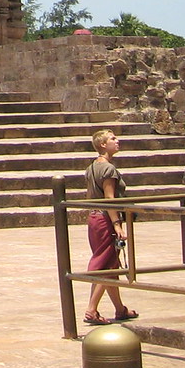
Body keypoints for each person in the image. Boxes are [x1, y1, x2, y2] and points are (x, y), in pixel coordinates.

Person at [82, 128, 138, 325]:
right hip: (105, 218)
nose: (117, 141)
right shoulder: (108, 169)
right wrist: (117, 224)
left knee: (111, 262)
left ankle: (119, 309)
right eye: (112, 139)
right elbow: (109, 199)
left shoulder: (91, 167)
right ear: (103, 145)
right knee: (106, 263)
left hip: (94, 217)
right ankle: (91, 309)